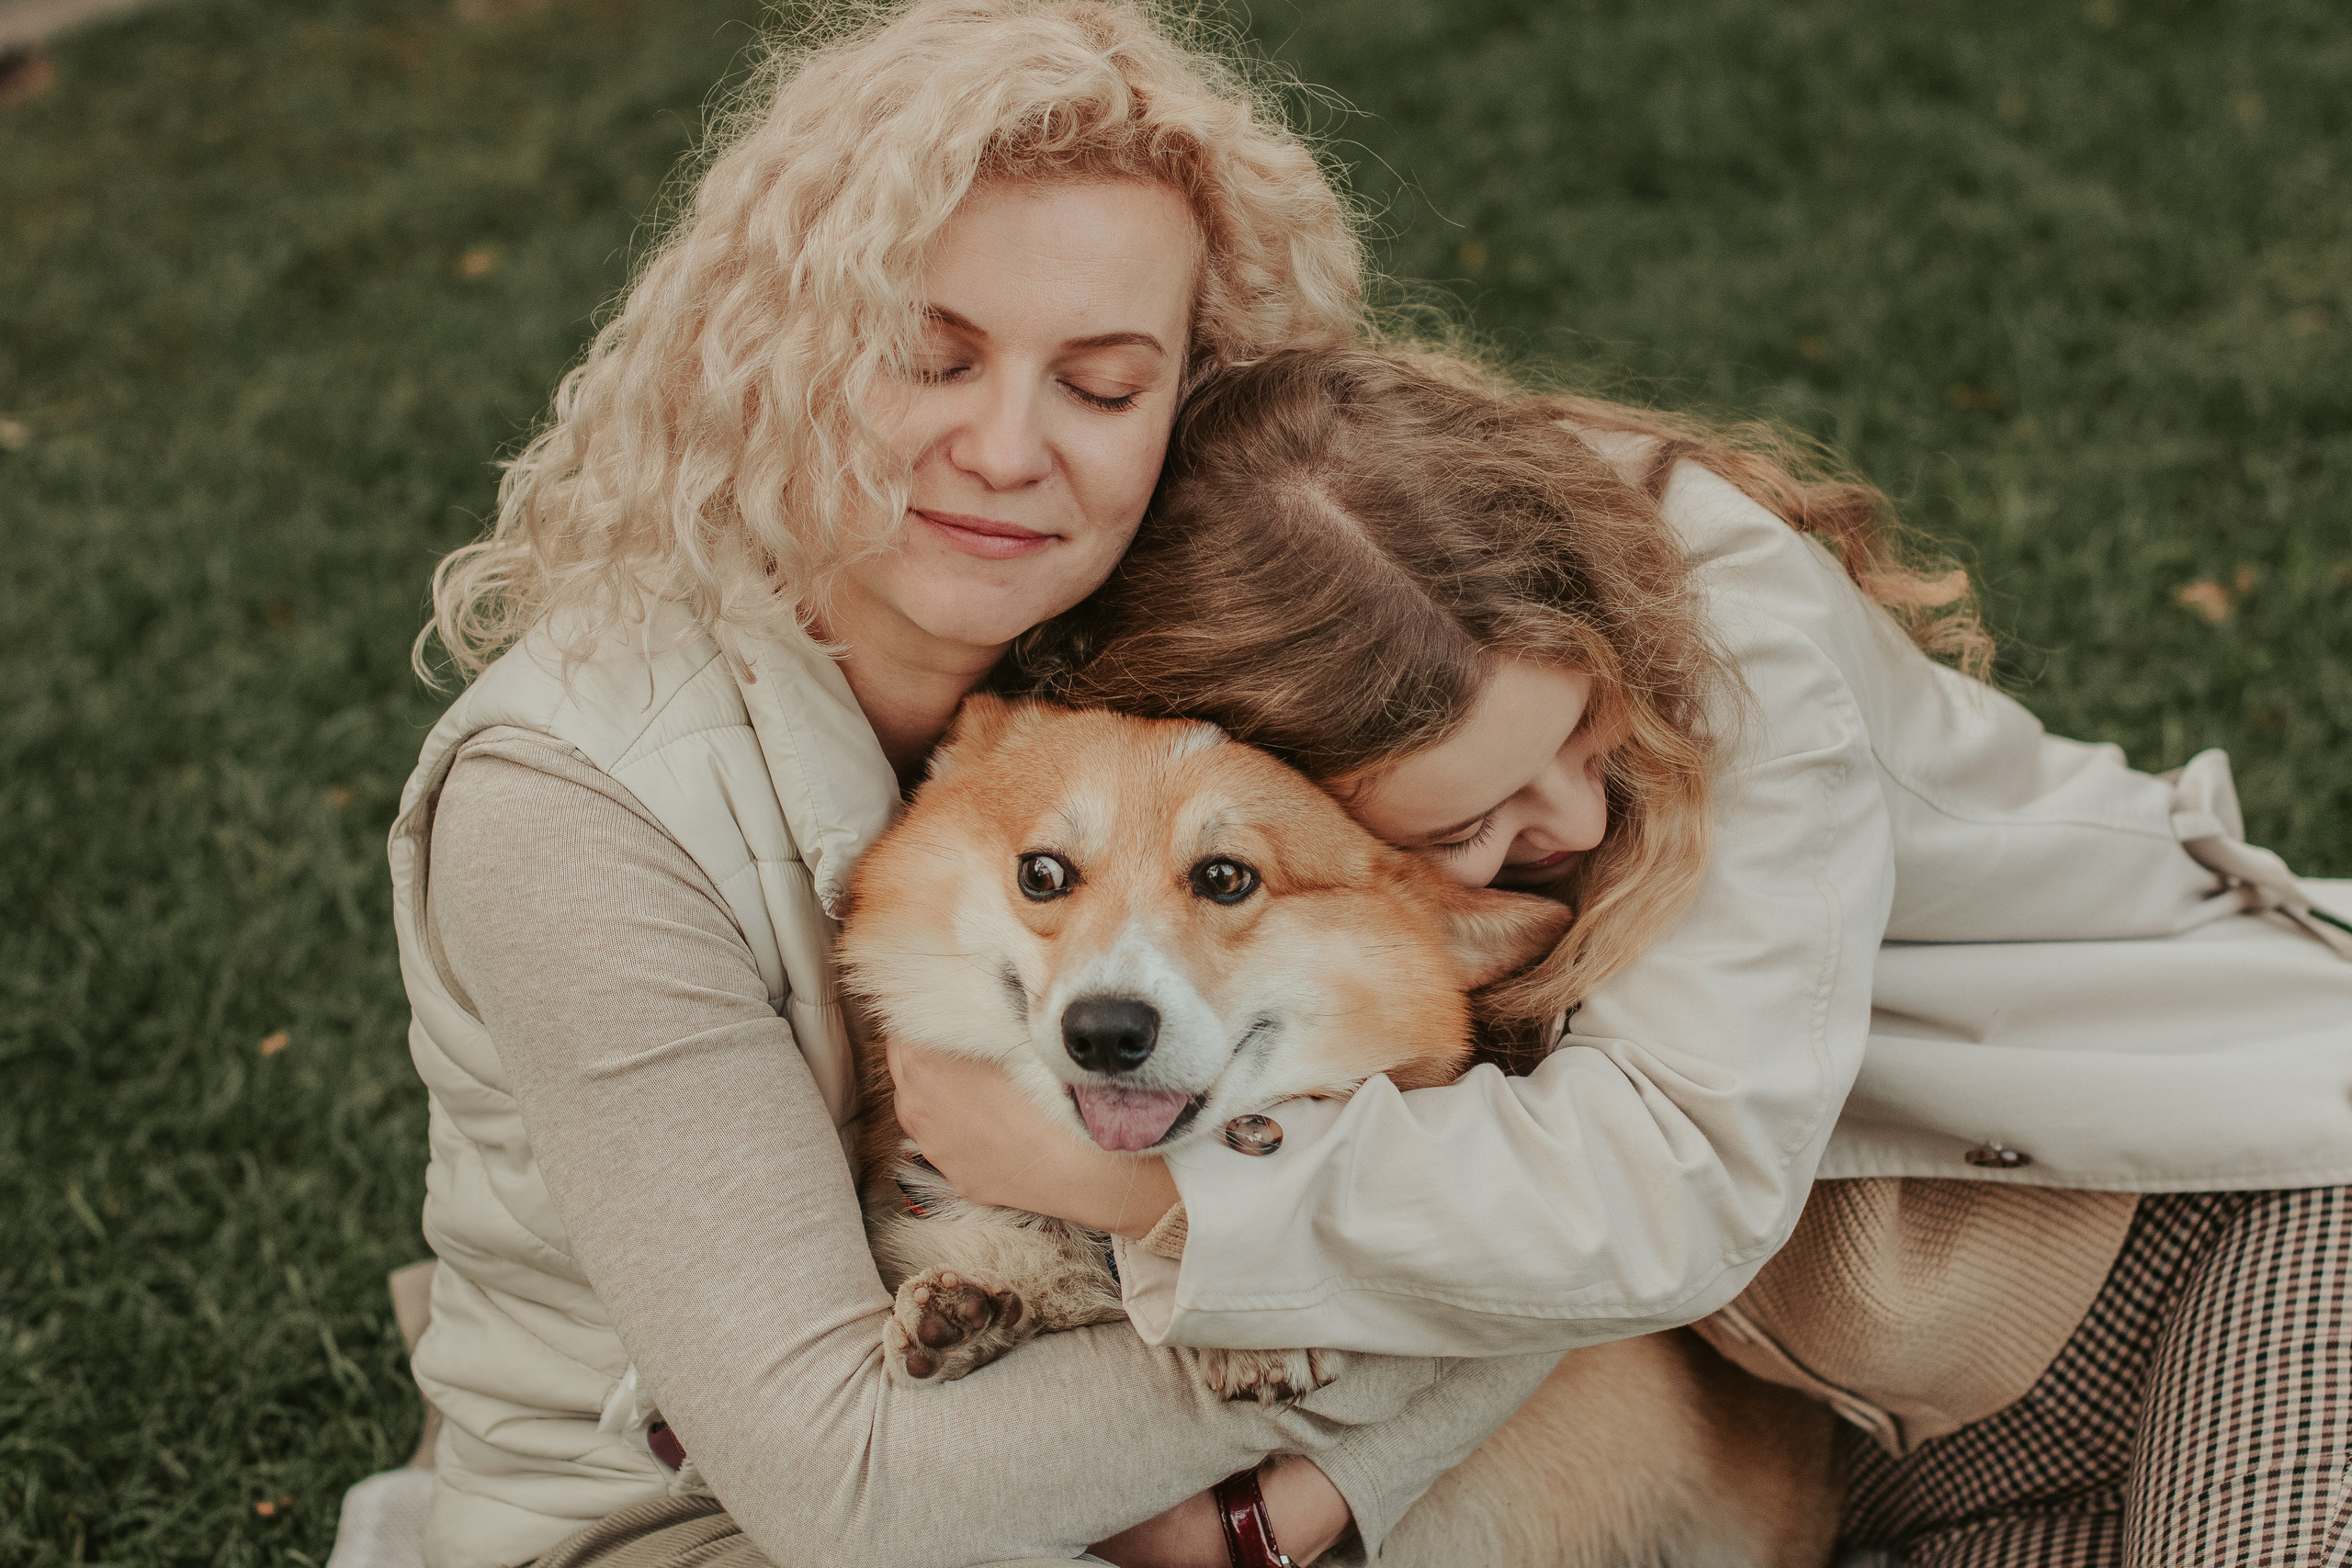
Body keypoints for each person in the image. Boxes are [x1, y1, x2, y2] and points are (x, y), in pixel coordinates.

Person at [391, 5, 1567, 1567]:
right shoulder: (568, 809)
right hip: (692, 1518)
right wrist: (1527, 1280)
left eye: (1100, 384)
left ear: (1189, 401)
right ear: (778, 355)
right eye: (925, 358)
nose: (1008, 450)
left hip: (1113, 1405)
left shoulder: (1180, 675)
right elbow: (849, 1489)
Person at [899, 345, 2349, 1565]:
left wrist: (1122, 1182)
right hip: (1894, 1451)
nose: (1580, 817)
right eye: (1473, 814)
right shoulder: (1279, 887)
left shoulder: (1740, 655)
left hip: (2238, 1218)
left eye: (1587, 733)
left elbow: (1664, 1188)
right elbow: (1489, 1258)